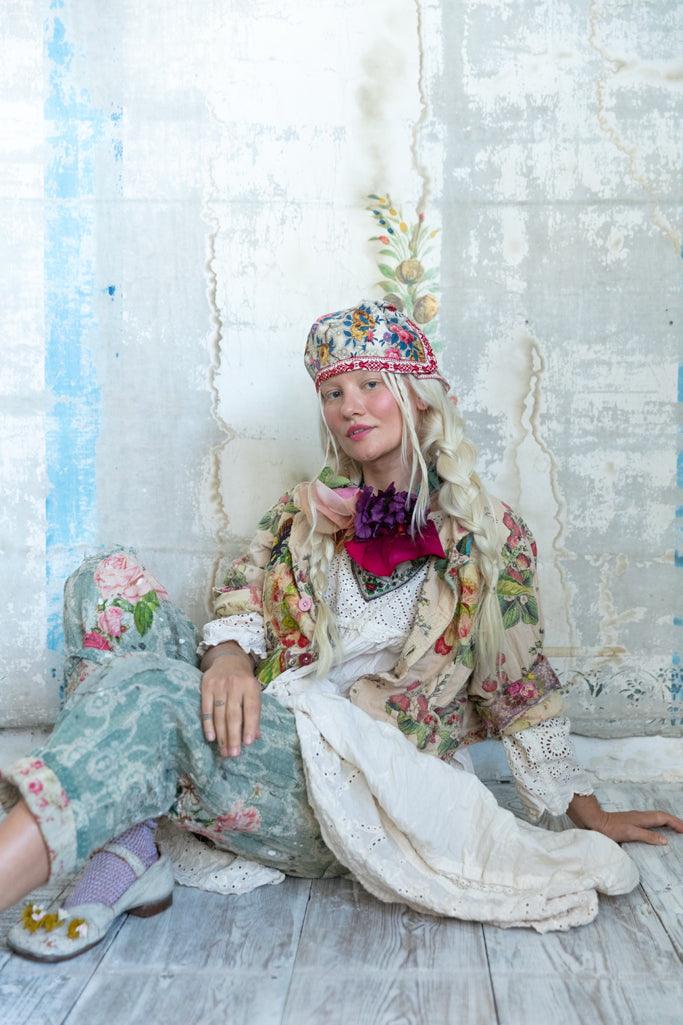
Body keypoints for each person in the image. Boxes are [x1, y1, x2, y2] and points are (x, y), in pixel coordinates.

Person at [1, 299, 681, 957]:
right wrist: (230, 656)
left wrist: (588, 814)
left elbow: (518, 683)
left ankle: (109, 849)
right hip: (268, 723)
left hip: (354, 783)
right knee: (106, 581)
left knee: (147, 690)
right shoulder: (300, 514)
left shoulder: (485, 533)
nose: (349, 405)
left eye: (369, 384)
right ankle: (132, 842)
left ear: (417, 394)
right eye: (332, 391)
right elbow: (239, 591)